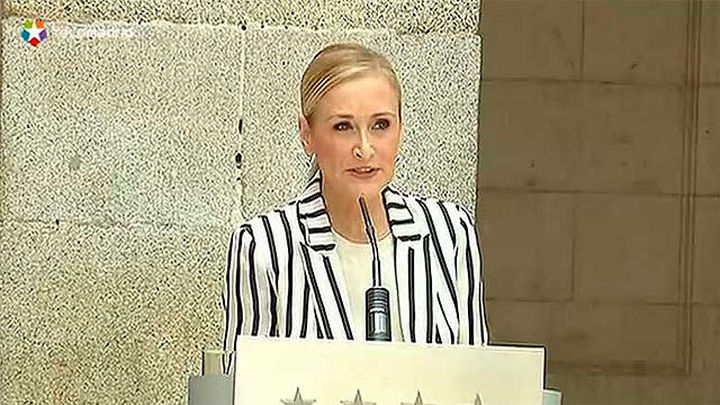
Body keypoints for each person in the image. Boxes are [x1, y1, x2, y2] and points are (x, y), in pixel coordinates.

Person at [222, 43, 488, 370]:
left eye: (381, 125)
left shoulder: (450, 233)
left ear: (401, 129)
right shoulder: (264, 246)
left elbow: (476, 379)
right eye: (343, 127)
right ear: (307, 134)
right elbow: (241, 385)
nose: (364, 149)